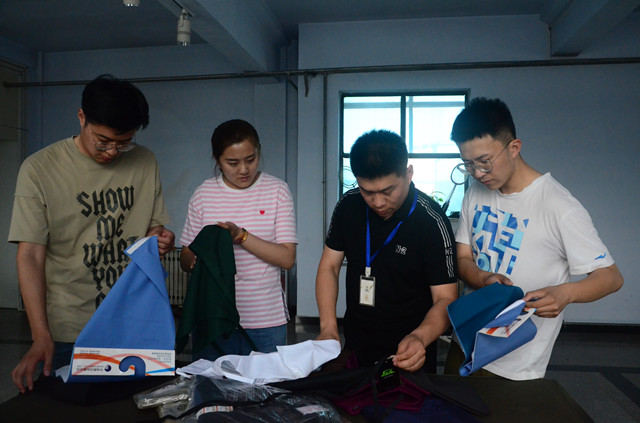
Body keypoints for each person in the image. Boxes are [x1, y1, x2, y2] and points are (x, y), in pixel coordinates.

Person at [8, 74, 175, 393]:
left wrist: (161, 238)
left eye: (124, 143)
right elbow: (30, 255)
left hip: (134, 322)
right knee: (71, 409)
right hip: (70, 329)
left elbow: (154, 228)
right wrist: (40, 335)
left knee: (134, 408)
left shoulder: (144, 161)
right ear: (81, 117)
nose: (113, 152)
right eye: (103, 141)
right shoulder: (39, 169)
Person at [449, 97, 623, 380]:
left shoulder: (559, 206)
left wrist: (565, 294)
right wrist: (482, 278)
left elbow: (611, 278)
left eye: (485, 162)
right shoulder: (475, 193)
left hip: (515, 362)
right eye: (468, 164)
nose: (478, 173)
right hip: (465, 340)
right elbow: (463, 258)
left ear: (514, 148)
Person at [315, 129, 458, 373]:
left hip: (410, 349)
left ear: (408, 174)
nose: (378, 202)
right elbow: (329, 266)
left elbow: (445, 298)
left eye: (388, 191)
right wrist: (328, 328)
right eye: (368, 192)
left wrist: (420, 337)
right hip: (356, 343)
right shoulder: (349, 206)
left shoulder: (431, 221)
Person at [179, 119, 297, 359]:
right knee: (211, 382)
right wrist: (197, 259)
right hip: (214, 318)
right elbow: (185, 256)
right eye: (232, 163)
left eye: (251, 159)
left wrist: (240, 236)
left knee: (265, 382)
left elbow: (286, 258)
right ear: (217, 160)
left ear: (259, 152)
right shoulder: (203, 194)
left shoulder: (277, 191)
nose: (243, 170)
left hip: (265, 320)